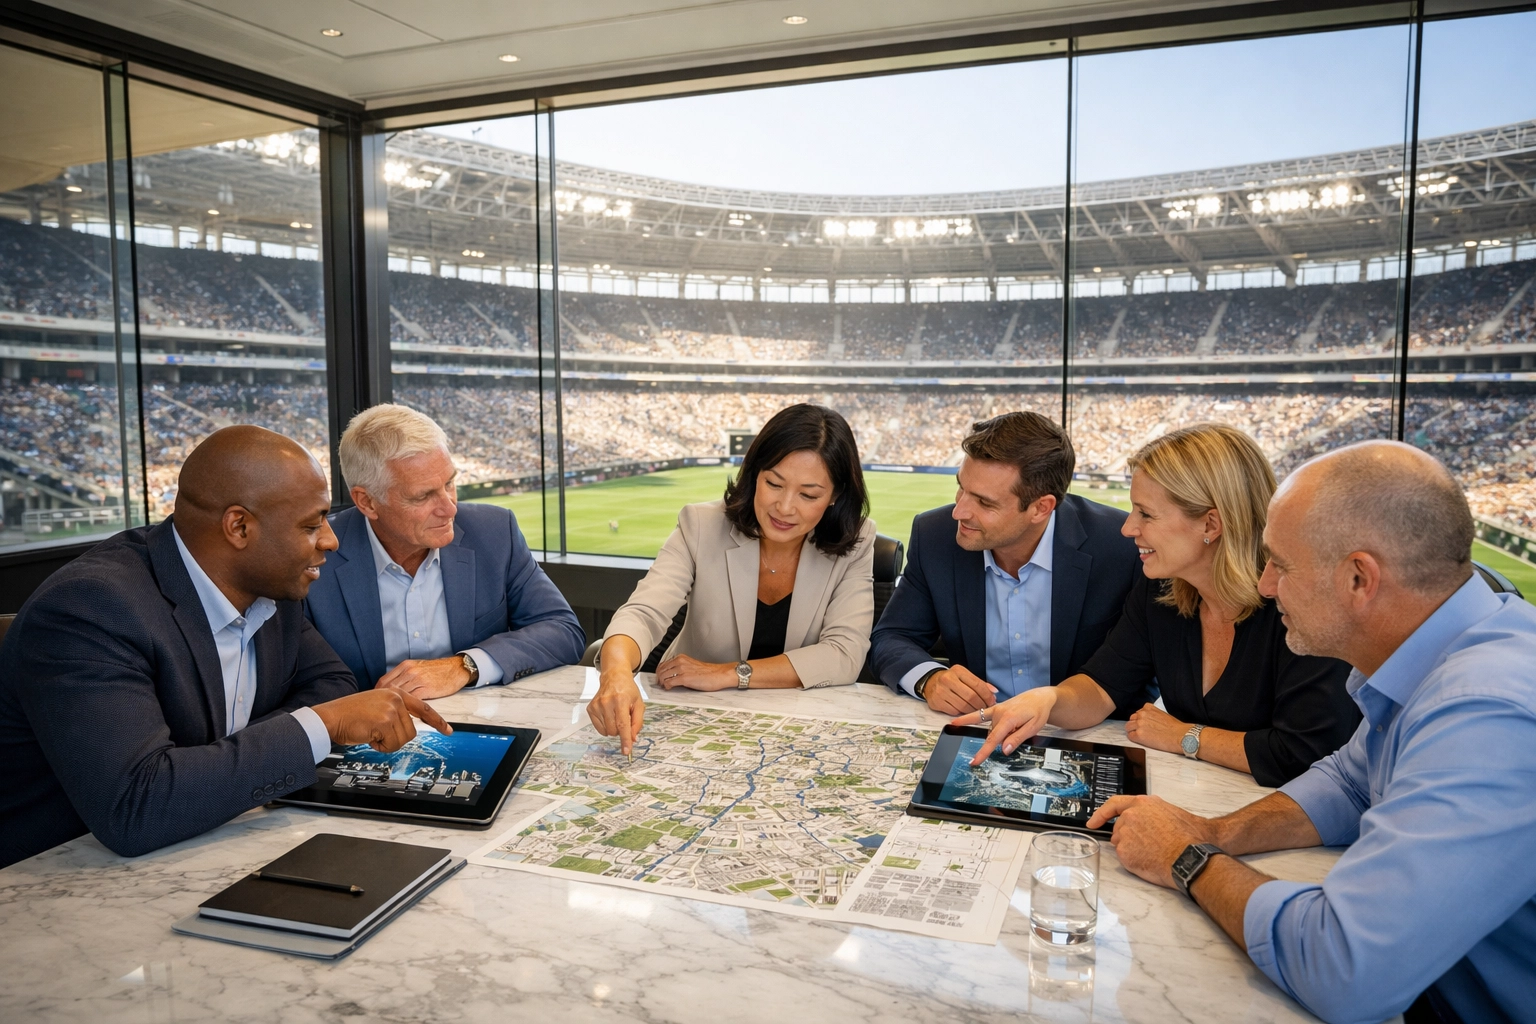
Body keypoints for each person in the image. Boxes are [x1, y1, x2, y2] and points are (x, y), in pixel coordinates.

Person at [1086, 440, 1536, 1024]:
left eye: (1281, 565)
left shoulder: (1487, 714)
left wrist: (1187, 857)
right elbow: (1349, 783)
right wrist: (1213, 830)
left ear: (1359, 578)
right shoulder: (1444, 653)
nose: (1266, 585)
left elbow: (1344, 967)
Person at [0, 426, 449, 869]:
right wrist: (320, 725)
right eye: (311, 525)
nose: (330, 540)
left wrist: (210, 767)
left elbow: (331, 682)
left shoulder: (271, 580)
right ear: (239, 526)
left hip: (205, 844)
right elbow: (136, 808)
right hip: (52, 882)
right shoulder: (91, 609)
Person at [957, 423, 1357, 787]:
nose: (1129, 528)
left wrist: (1185, 736)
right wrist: (1047, 700)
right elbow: (1103, 685)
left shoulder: (1302, 608)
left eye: (1146, 514)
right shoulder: (1165, 591)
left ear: (1211, 525)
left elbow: (1306, 756)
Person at [587, 403, 876, 754]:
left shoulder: (858, 541)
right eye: (774, 483)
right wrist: (615, 673)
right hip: (695, 727)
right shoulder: (700, 525)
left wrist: (730, 673)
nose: (785, 507)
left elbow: (843, 654)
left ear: (835, 497)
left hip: (799, 734)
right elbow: (644, 613)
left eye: (808, 495)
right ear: (754, 475)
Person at [867, 411, 1149, 718]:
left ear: (1042, 508)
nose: (959, 512)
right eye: (961, 488)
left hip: (1081, 731)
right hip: (978, 727)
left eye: (984, 503)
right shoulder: (934, 535)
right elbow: (891, 637)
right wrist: (928, 679)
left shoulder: (1122, 546)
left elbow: (1149, 670)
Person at [305, 404, 584, 697]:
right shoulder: (315, 555)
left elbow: (563, 630)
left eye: (450, 483)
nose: (449, 508)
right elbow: (299, 682)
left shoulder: (495, 532)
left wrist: (464, 666)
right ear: (367, 502)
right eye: (423, 496)